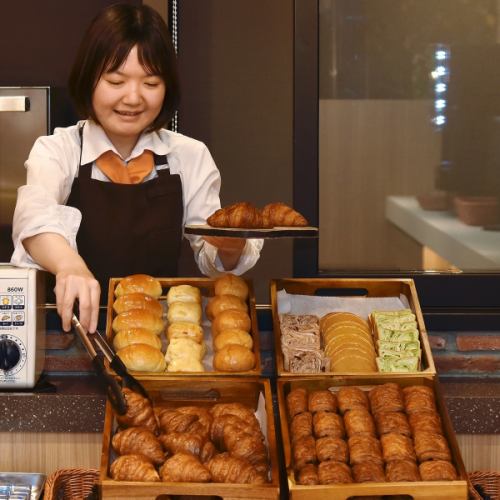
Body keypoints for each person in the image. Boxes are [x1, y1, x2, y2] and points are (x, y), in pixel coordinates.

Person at [11, 3, 262, 334]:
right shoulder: (58, 150)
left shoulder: (189, 155)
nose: (133, 98)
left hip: (156, 337)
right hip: (72, 334)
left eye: (150, 82)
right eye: (116, 81)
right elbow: (34, 217)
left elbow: (213, 261)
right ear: (89, 80)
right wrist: (69, 265)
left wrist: (230, 246)